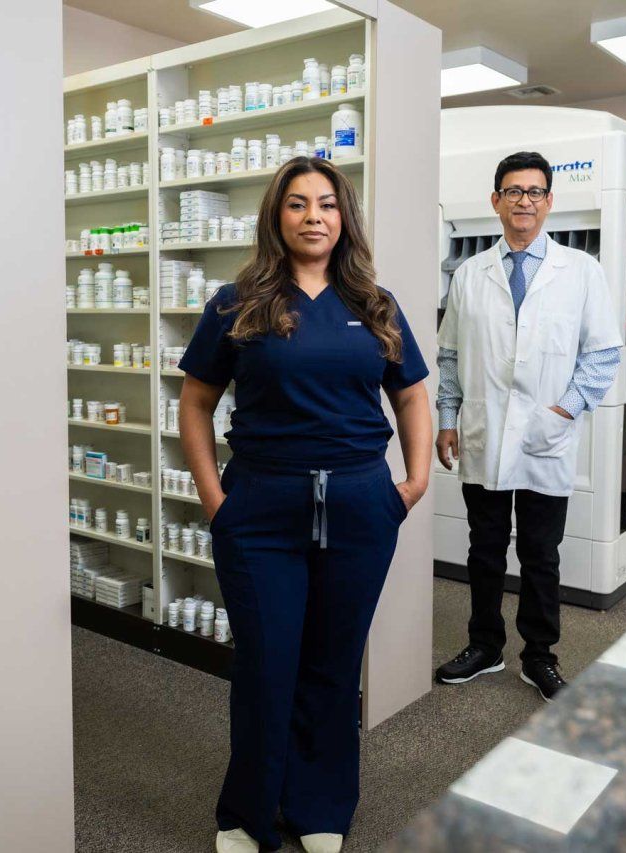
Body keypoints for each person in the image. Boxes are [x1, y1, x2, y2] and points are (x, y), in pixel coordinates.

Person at [178, 156, 433, 853]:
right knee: (266, 663)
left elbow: (409, 392)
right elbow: (196, 401)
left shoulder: (375, 305)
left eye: (326, 203)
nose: (313, 216)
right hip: (261, 507)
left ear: (344, 216)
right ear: (277, 217)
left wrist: (413, 481)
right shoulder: (238, 303)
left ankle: (320, 805)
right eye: (297, 204)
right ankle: (246, 813)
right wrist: (214, 496)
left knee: (333, 661)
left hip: (358, 504)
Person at [433, 151, 622, 701]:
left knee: (541, 553)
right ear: (496, 201)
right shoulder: (469, 274)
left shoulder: (581, 271)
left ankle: (539, 655)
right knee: (484, 548)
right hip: (483, 433)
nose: (524, 202)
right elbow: (450, 357)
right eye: (513, 191)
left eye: (535, 192)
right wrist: (448, 420)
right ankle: (485, 645)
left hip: (548, 435)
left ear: (549, 202)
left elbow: (603, 354)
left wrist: (564, 409)